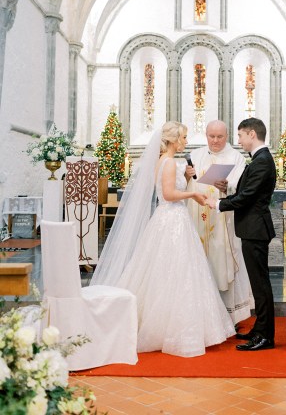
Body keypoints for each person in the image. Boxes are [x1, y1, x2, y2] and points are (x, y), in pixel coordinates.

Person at [91, 121, 234, 358]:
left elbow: (173, 190)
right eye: (184, 137)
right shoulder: (168, 163)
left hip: (173, 218)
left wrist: (187, 179)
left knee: (174, 272)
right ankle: (170, 329)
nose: (186, 142)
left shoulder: (168, 162)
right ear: (174, 140)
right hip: (172, 219)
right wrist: (193, 193)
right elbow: (168, 195)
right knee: (173, 271)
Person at [205, 118, 276, 351]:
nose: (239, 140)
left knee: (261, 284)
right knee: (258, 284)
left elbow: (247, 198)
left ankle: (265, 336)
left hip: (255, 229)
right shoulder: (258, 160)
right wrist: (227, 190)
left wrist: (218, 204)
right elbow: (246, 191)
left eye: (241, 135)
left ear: (252, 134)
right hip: (251, 227)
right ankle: (260, 329)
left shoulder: (262, 161)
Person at [186, 120, 254, 325]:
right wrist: (185, 174)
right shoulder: (195, 155)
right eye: (211, 136)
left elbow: (240, 188)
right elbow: (186, 183)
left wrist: (227, 187)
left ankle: (228, 315)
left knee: (222, 259)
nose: (215, 141)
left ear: (227, 136)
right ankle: (198, 312)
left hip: (223, 219)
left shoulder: (236, 157)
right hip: (196, 218)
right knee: (197, 258)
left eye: (220, 137)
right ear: (206, 135)